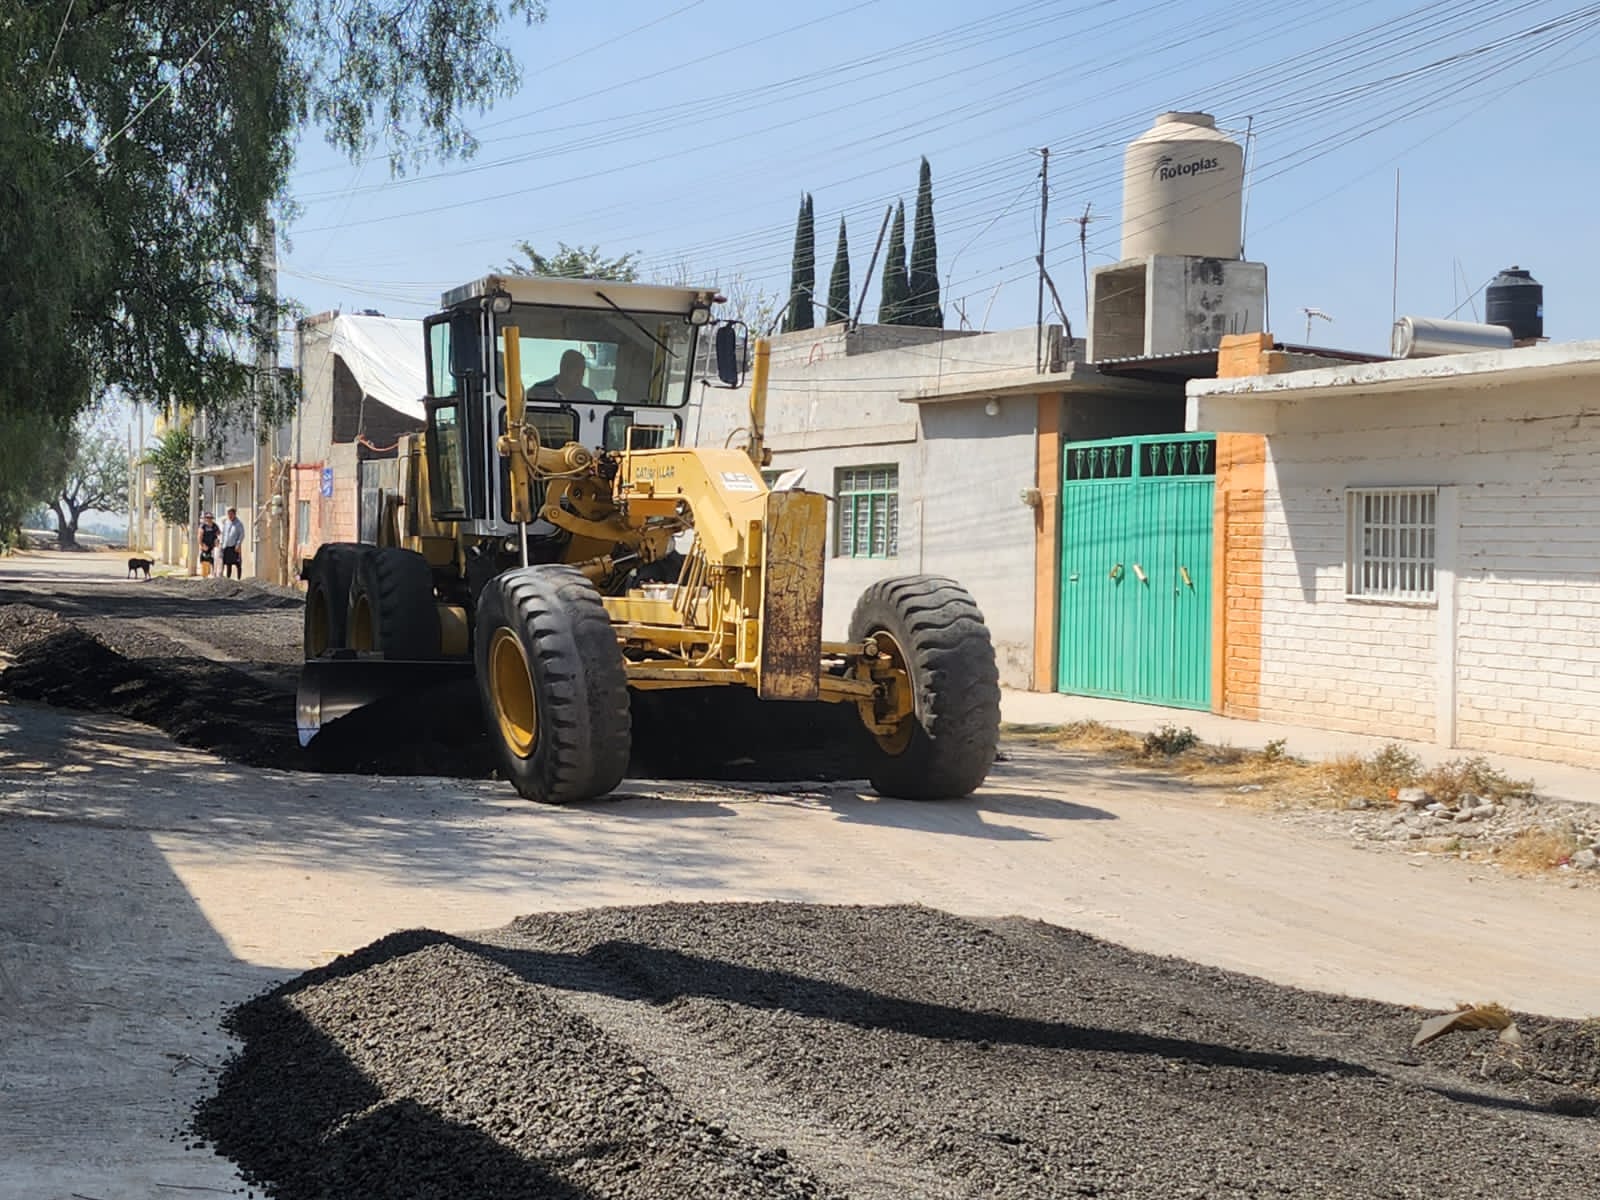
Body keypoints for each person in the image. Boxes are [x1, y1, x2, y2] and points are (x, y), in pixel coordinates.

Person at [534, 349, 599, 405]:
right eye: (576, 371)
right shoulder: (538, 392)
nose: (581, 375)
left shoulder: (588, 396)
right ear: (563, 369)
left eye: (582, 371)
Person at [220, 507, 245, 579]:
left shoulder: (239, 523)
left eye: (231, 514)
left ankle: (239, 579)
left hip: (235, 547)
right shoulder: (226, 523)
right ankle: (228, 579)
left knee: (238, 564)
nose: (230, 516)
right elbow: (224, 534)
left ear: (234, 514)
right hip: (226, 546)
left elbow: (242, 535)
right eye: (228, 514)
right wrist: (222, 544)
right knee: (228, 564)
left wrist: (238, 544)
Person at [197, 513, 219, 578]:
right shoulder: (203, 526)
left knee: (213, 561)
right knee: (205, 562)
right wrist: (202, 545)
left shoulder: (214, 526)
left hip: (212, 547)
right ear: (205, 518)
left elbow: (218, 533)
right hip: (205, 547)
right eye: (207, 517)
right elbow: (199, 536)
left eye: (210, 518)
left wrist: (217, 541)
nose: (208, 519)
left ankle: (213, 575)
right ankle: (204, 577)